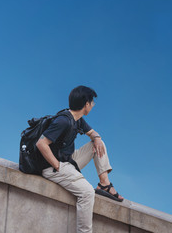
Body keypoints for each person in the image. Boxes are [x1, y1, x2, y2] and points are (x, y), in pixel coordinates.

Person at [36, 85, 124, 233]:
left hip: (68, 159)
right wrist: (57, 166)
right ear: (86, 104)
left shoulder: (77, 119)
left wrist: (96, 137)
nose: (93, 105)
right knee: (87, 193)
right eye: (92, 102)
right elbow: (41, 143)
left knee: (98, 143)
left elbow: (93, 133)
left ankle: (104, 184)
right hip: (53, 166)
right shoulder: (63, 121)